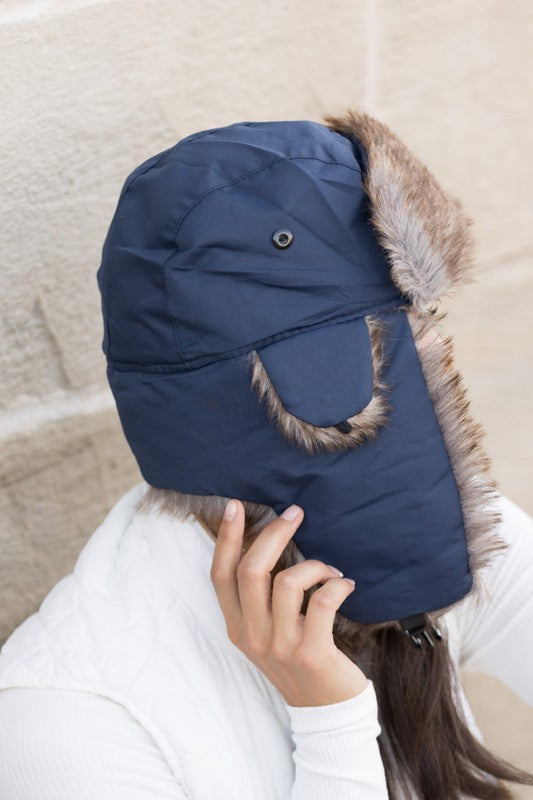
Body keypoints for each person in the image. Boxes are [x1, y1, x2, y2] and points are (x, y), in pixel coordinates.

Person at [0, 108, 532, 800]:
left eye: (413, 340)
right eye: (359, 387)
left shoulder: (437, 535)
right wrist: (330, 722)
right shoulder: (63, 724)